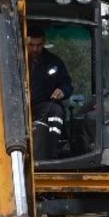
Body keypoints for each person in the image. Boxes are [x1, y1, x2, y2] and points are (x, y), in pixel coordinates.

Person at [27, 23, 73, 159]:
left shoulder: (54, 62)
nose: (35, 49)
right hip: (18, 106)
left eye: (39, 45)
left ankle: (50, 153)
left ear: (44, 42)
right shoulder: (15, 61)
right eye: (31, 45)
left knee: (56, 111)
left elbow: (67, 84)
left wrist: (62, 91)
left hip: (43, 105)